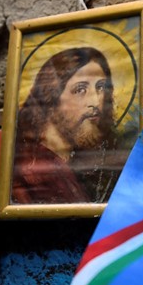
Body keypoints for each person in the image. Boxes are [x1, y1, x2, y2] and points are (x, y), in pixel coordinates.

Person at [11, 46, 118, 204]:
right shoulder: (35, 171)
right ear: (50, 97)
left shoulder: (69, 163)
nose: (96, 102)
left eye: (101, 87)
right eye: (80, 89)